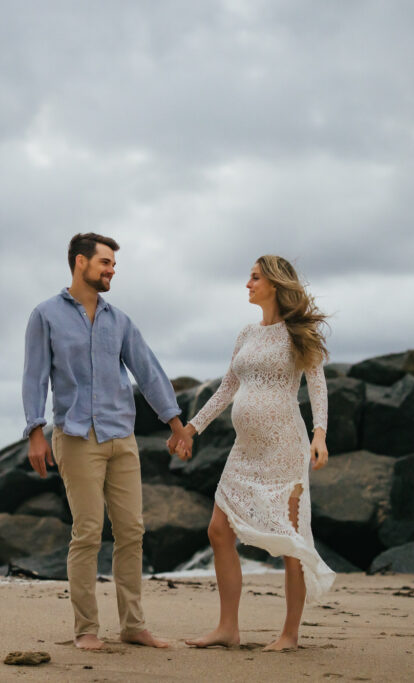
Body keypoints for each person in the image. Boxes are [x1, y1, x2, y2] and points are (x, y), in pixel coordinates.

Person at [22, 233, 193, 650]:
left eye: (113, 264)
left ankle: (133, 626)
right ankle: (86, 629)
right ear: (80, 262)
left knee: (132, 530)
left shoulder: (119, 320)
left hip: (122, 436)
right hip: (77, 436)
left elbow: (148, 372)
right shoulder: (45, 315)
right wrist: (35, 432)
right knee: (88, 532)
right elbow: (34, 377)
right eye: (105, 262)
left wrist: (176, 425)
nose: (111, 269)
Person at [175, 254, 333, 652]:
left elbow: (317, 385)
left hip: (285, 446)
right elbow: (227, 389)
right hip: (244, 451)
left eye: (254, 278)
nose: (248, 284)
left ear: (275, 285)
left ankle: (290, 635)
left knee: (290, 542)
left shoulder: (298, 334)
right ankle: (228, 628)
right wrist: (191, 427)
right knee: (217, 530)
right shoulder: (246, 333)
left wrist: (320, 434)